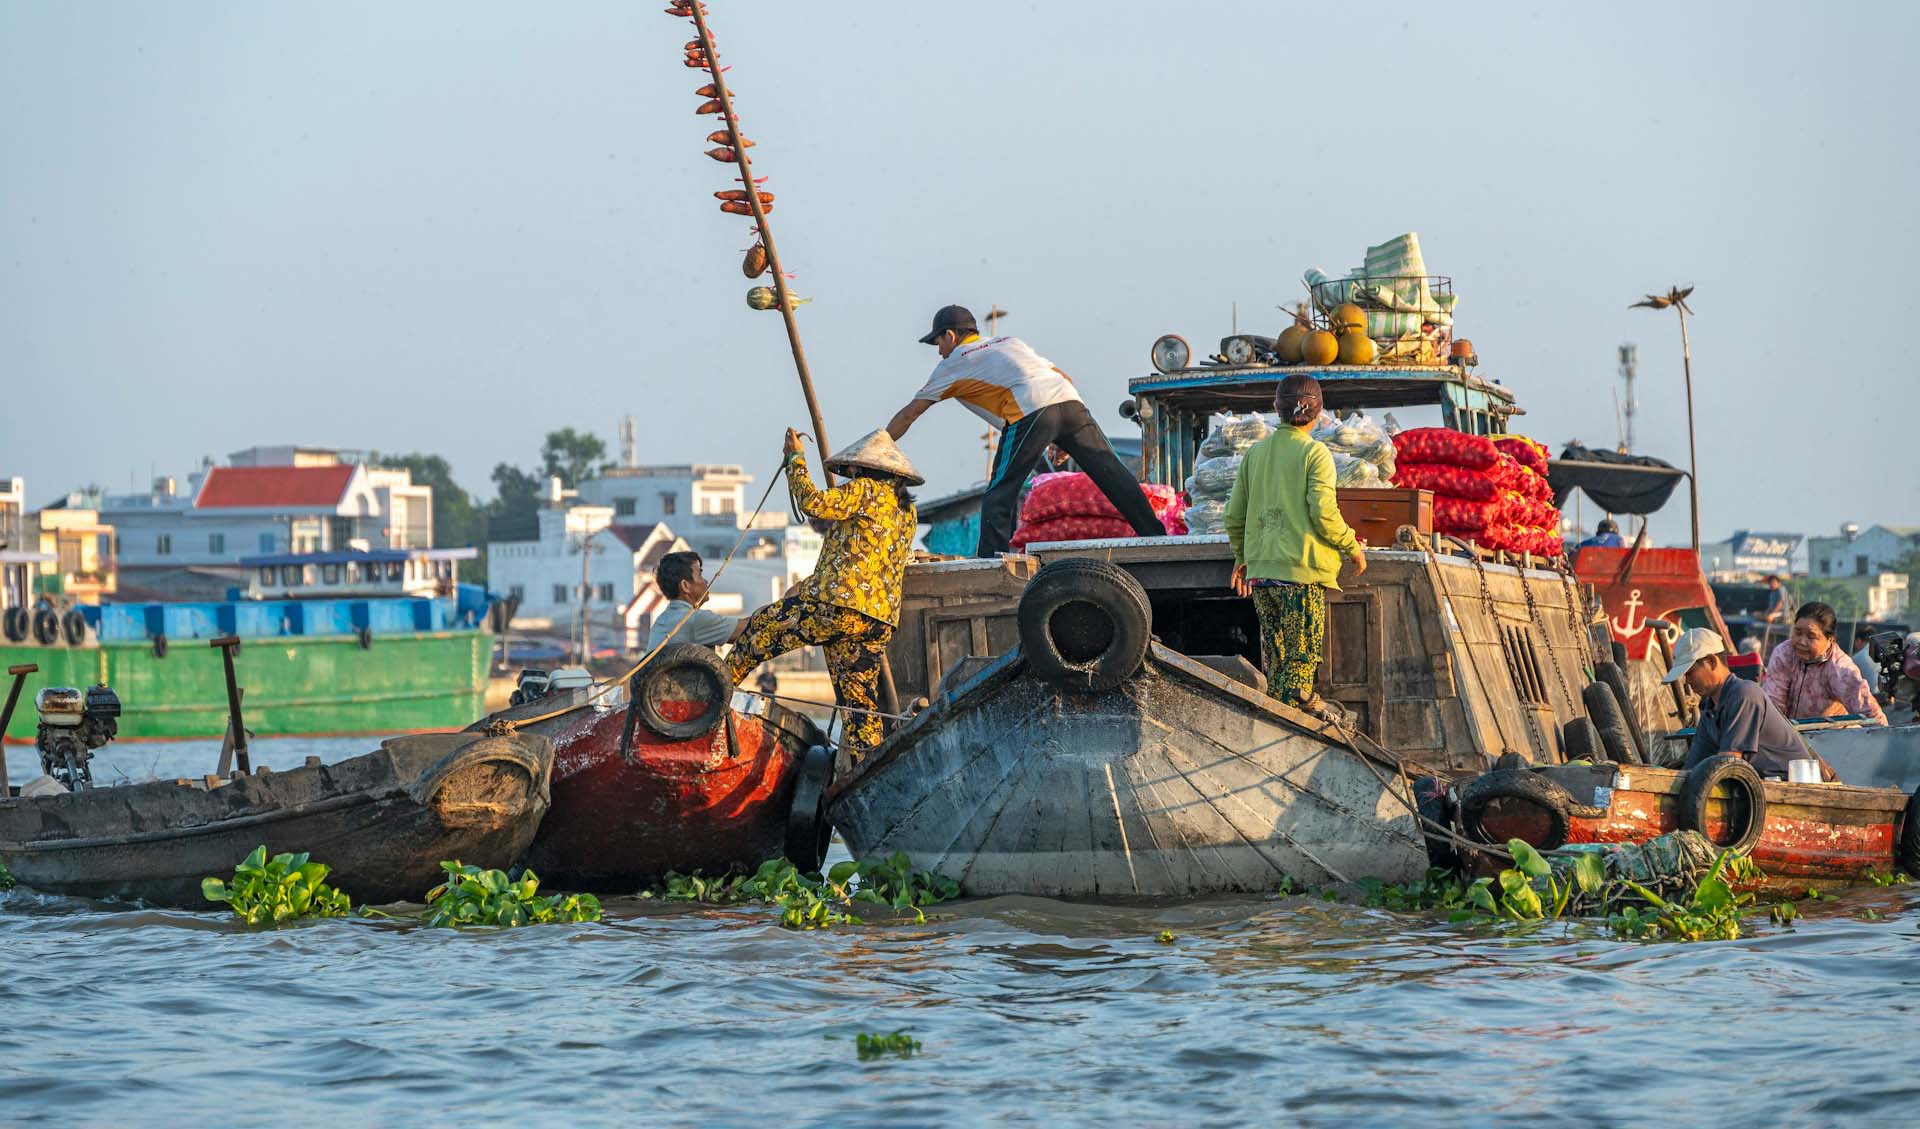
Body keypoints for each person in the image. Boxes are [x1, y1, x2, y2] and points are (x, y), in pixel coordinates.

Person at [887, 304, 1164, 557]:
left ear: (949, 335)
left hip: (1029, 411)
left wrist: (881, 445)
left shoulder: (952, 364)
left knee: (1000, 492)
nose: (938, 350)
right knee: (1112, 473)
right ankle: (1156, 537)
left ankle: (990, 563)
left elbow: (910, 413)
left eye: (938, 342)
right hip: (1069, 401)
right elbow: (1062, 376)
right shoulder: (1009, 342)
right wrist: (1060, 436)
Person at [723, 427, 920, 755]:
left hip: (839, 605)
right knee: (860, 709)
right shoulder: (905, 511)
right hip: (877, 620)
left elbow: (812, 502)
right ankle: (865, 770)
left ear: (863, 470)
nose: (851, 476)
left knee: (760, 629)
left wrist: (796, 460)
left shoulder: (867, 491)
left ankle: (711, 696)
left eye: (854, 471)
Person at [1223, 374, 1367, 717]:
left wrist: (1243, 559)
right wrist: (1352, 546)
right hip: (1300, 578)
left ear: (1276, 408)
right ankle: (1284, 729)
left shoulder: (1256, 454)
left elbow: (1233, 515)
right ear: (1319, 413)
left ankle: (1273, 719)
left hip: (1262, 579)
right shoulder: (1315, 453)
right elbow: (1323, 511)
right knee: (1300, 665)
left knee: (1277, 662)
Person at [1664, 627, 1809, 777]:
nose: (1687, 681)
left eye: (1690, 672)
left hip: (1788, 785)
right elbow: (1692, 768)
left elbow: (1728, 764)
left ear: (1712, 661)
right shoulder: (1709, 710)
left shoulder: (1744, 694)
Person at [1764, 601, 1887, 725]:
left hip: (1829, 737)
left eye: (1811, 636)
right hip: (1788, 734)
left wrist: (1886, 739)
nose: (1802, 641)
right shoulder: (1784, 654)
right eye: (1798, 633)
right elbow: (1773, 704)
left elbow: (1870, 713)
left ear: (1829, 640)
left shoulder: (1840, 668)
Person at [647, 551, 746, 652]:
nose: (706, 581)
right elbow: (751, 629)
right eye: (700, 575)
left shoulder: (661, 621)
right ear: (685, 586)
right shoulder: (695, 619)